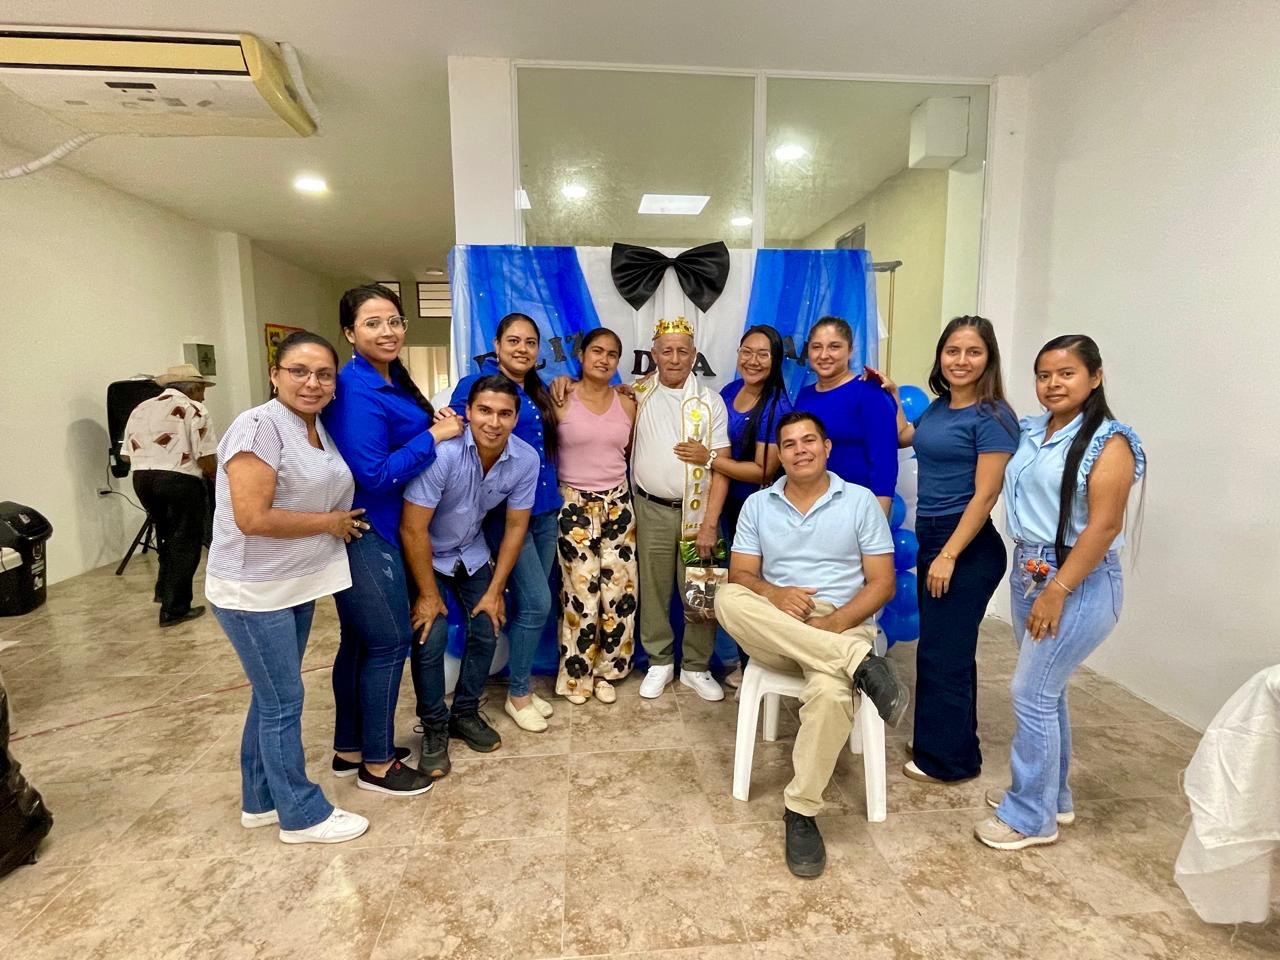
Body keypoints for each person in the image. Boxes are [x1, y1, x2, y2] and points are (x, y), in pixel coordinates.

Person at [714, 411, 909, 878]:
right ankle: (860, 664)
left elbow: (882, 583)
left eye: (808, 441)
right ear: (779, 456)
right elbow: (742, 574)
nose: (800, 450)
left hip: (843, 621)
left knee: (831, 692)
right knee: (726, 597)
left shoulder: (860, 502)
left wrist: (837, 622)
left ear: (826, 447)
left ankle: (800, 811)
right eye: (789, 444)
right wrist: (774, 594)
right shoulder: (758, 505)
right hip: (776, 624)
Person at [975, 335, 1145, 850]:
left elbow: (1105, 526)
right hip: (1030, 569)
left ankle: (1031, 817)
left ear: (1095, 377)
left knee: (1031, 693)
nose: (1053, 384)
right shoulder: (1032, 430)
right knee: (1048, 691)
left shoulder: (1110, 442)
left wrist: (1059, 589)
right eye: (1044, 375)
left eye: (1066, 373)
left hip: (1078, 578)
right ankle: (1054, 798)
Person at [205, 331, 374, 844]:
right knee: (283, 701)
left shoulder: (314, 426)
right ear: (274, 375)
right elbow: (252, 517)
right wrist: (330, 523)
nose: (312, 383)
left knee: (270, 697)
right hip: (253, 590)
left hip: (293, 584)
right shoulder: (259, 426)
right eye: (299, 371)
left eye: (323, 374)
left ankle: (260, 801)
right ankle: (302, 815)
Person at [867, 316, 1019, 784]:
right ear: (940, 356)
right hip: (936, 539)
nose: (961, 360)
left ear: (989, 358)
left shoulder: (993, 416)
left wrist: (949, 555)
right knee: (943, 651)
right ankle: (947, 742)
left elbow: (986, 495)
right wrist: (893, 396)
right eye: (953, 351)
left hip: (966, 545)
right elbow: (904, 437)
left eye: (973, 351)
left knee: (944, 655)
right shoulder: (938, 409)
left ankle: (949, 763)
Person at [321, 284, 459, 794]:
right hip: (368, 530)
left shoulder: (387, 377)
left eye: (395, 321)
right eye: (373, 322)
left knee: (359, 643)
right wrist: (433, 437)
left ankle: (350, 748)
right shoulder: (355, 388)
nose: (388, 331)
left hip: (384, 528)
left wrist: (431, 424)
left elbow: (397, 438)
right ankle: (377, 765)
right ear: (349, 332)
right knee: (388, 643)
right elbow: (375, 474)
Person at [401, 376, 538, 768]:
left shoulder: (525, 459)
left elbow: (516, 526)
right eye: (484, 411)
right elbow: (412, 529)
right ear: (468, 412)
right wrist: (428, 595)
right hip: (427, 553)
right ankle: (434, 727)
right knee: (431, 633)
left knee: (487, 622)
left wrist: (495, 591)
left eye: (504, 414)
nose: (493, 422)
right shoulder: (444, 453)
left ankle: (464, 713)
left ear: (515, 419)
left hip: (471, 551)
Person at [448, 314, 561, 732]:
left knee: (531, 604)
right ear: (496, 345)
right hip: (504, 515)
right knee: (536, 602)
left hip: (545, 509)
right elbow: (457, 439)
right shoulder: (476, 387)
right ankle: (518, 695)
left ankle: (520, 683)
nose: (522, 349)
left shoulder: (538, 389)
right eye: (513, 341)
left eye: (530, 342)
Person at [630, 318, 731, 702]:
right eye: (667, 351)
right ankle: (659, 661)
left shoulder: (710, 403)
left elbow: (722, 466)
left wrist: (710, 524)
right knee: (653, 589)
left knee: (703, 589)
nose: (674, 358)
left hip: (699, 513)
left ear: (694, 356)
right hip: (650, 509)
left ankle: (696, 667)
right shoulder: (637, 394)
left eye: (682, 351)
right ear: (654, 354)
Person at [551, 327, 638, 705]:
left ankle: (607, 672)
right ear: (582, 355)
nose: (604, 359)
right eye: (597, 351)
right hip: (574, 507)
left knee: (618, 594)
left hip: (618, 506)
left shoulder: (628, 403)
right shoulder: (560, 398)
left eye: (612, 354)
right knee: (580, 596)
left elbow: (629, 453)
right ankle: (576, 675)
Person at [711, 324, 793, 683]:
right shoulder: (730, 391)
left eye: (763, 354)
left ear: (775, 361)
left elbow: (763, 471)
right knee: (722, 583)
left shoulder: (777, 406)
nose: (753, 360)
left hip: (757, 511)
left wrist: (708, 458)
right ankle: (732, 662)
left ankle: (755, 665)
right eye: (747, 351)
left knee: (749, 588)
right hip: (722, 503)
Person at [122, 363, 218, 626]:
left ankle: (164, 591)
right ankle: (174, 609)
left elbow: (126, 455)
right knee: (186, 541)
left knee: (165, 534)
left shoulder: (140, 408)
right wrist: (216, 478)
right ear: (192, 388)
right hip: (179, 479)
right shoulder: (194, 409)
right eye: (202, 390)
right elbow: (205, 456)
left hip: (142, 479)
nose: (203, 396)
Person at [794, 316, 899, 513]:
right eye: (816, 347)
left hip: (858, 508)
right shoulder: (804, 397)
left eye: (834, 347)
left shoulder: (869, 393)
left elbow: (884, 462)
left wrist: (878, 517)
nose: (824, 355)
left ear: (850, 350)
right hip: (811, 507)